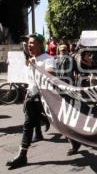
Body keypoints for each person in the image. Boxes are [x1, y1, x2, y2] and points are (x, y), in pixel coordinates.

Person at [6, 33, 55, 169]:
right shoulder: (30, 59)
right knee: (27, 126)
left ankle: (73, 140)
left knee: (57, 121)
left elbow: (51, 76)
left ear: (40, 44)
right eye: (28, 43)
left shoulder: (48, 59)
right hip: (31, 98)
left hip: (45, 98)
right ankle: (22, 155)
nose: (29, 45)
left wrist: (36, 67)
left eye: (32, 42)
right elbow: (30, 80)